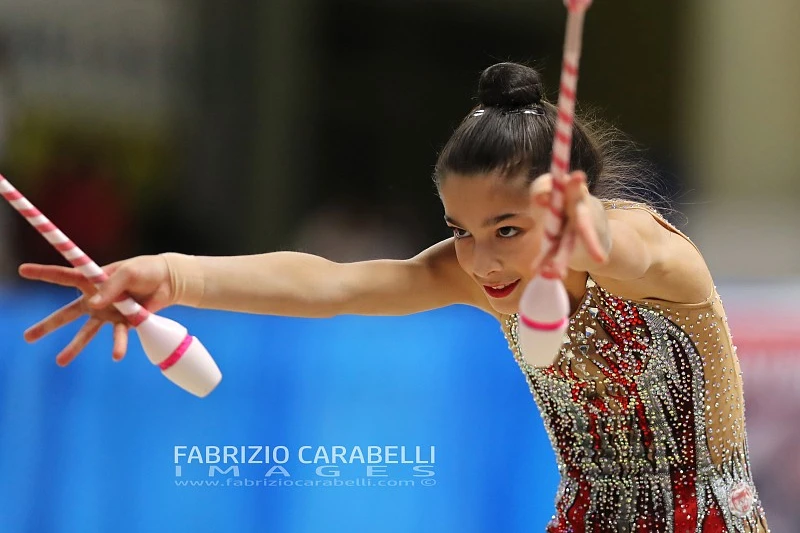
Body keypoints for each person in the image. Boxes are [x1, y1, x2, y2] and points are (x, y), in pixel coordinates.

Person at [17, 63, 769, 532]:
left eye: (506, 228)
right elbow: (335, 284)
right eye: (461, 229)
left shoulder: (654, 255)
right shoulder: (479, 273)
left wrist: (585, 233)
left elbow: (621, 248)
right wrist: (176, 274)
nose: (479, 258)